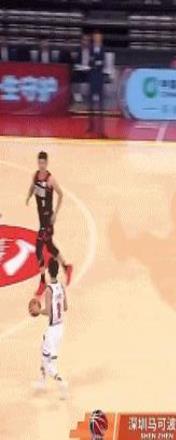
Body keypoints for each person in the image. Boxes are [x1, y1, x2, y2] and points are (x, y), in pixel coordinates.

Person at [26, 151, 73, 296]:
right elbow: (33, 187)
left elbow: (61, 194)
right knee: (50, 246)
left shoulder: (50, 179)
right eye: (39, 163)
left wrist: (55, 214)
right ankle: (66, 267)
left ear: (46, 163)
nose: (41, 165)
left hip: (47, 220)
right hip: (41, 219)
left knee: (38, 248)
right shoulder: (35, 176)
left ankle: (42, 281)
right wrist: (28, 196)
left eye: (43, 163)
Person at [32, 258, 68, 399]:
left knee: (50, 366)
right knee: (43, 348)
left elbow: (48, 312)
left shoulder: (48, 290)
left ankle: (62, 383)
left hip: (53, 331)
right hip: (60, 328)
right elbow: (65, 307)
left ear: (48, 271)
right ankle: (41, 381)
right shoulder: (61, 287)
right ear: (57, 271)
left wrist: (38, 311)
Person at [88, 30, 106, 138]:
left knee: (100, 103)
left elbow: (101, 62)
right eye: (95, 37)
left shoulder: (103, 49)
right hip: (92, 76)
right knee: (90, 102)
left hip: (99, 77)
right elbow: (90, 61)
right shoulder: (91, 48)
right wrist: (95, 62)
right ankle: (91, 125)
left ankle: (101, 128)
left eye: (98, 37)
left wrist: (95, 62)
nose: (97, 39)